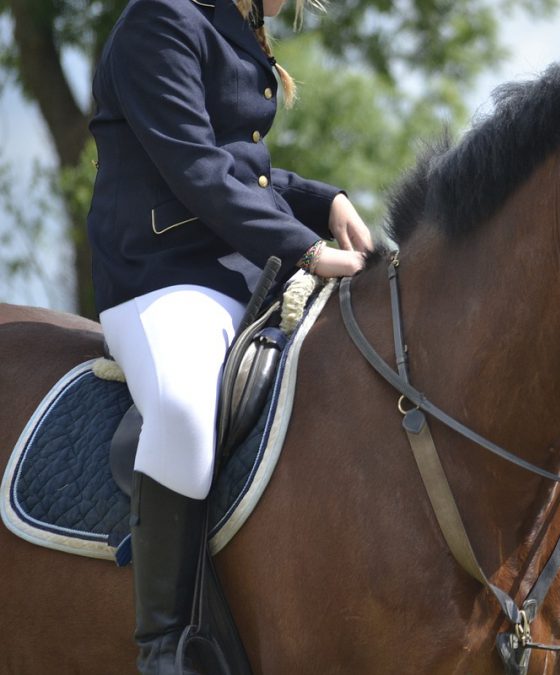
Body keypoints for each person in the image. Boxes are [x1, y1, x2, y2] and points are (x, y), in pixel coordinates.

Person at [86, 0, 373, 670]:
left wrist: (324, 198)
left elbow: (244, 167)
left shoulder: (226, 25)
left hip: (244, 277)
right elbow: (194, 166)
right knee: (185, 408)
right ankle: (166, 648)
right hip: (161, 281)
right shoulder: (158, 20)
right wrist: (307, 248)